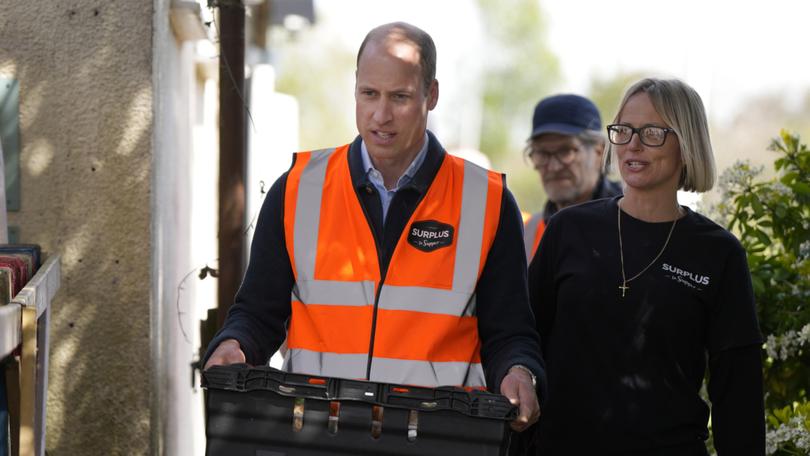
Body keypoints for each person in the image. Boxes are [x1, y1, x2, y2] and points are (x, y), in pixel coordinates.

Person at [204, 22, 543, 432]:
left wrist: (520, 371)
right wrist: (233, 344)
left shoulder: (486, 201)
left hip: (435, 438)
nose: (381, 116)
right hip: (319, 433)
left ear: (430, 95)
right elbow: (258, 313)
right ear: (356, 90)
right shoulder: (297, 189)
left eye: (399, 97)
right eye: (369, 94)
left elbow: (509, 332)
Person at [528, 78, 765, 455]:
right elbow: (525, 343)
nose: (633, 145)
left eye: (653, 132)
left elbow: (738, 393)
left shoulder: (718, 253)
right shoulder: (568, 230)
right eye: (624, 131)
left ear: (686, 145)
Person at [523, 94, 621, 262]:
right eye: (542, 153)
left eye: (566, 151)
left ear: (600, 152)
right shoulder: (528, 233)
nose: (553, 166)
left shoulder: (630, 222)